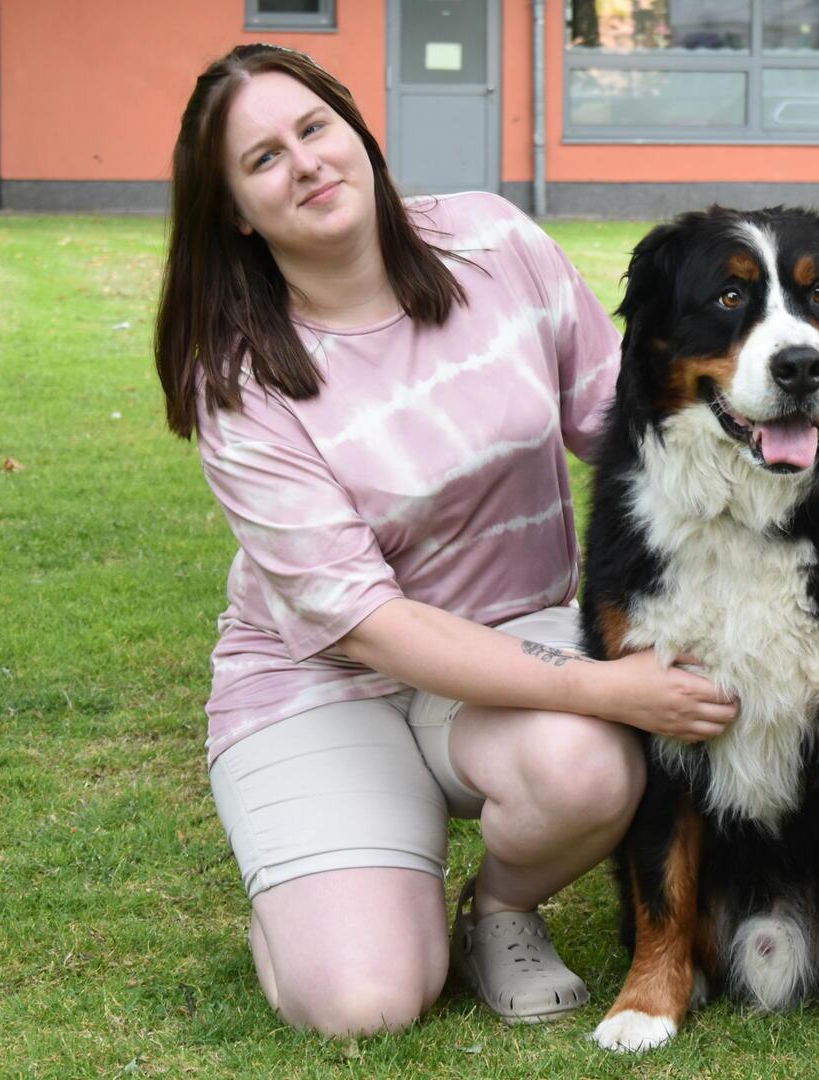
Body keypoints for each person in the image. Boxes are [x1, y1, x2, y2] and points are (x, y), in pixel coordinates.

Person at [152, 44, 737, 1038]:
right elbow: (370, 625)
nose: (303, 163)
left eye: (313, 129)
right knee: (363, 1001)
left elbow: (616, 420)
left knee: (586, 769)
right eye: (261, 161)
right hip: (325, 682)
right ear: (238, 214)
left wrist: (775, 440)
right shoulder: (237, 381)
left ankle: (500, 907)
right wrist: (602, 687)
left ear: (359, 135)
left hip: (513, 635)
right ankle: (324, 901)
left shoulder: (493, 243)